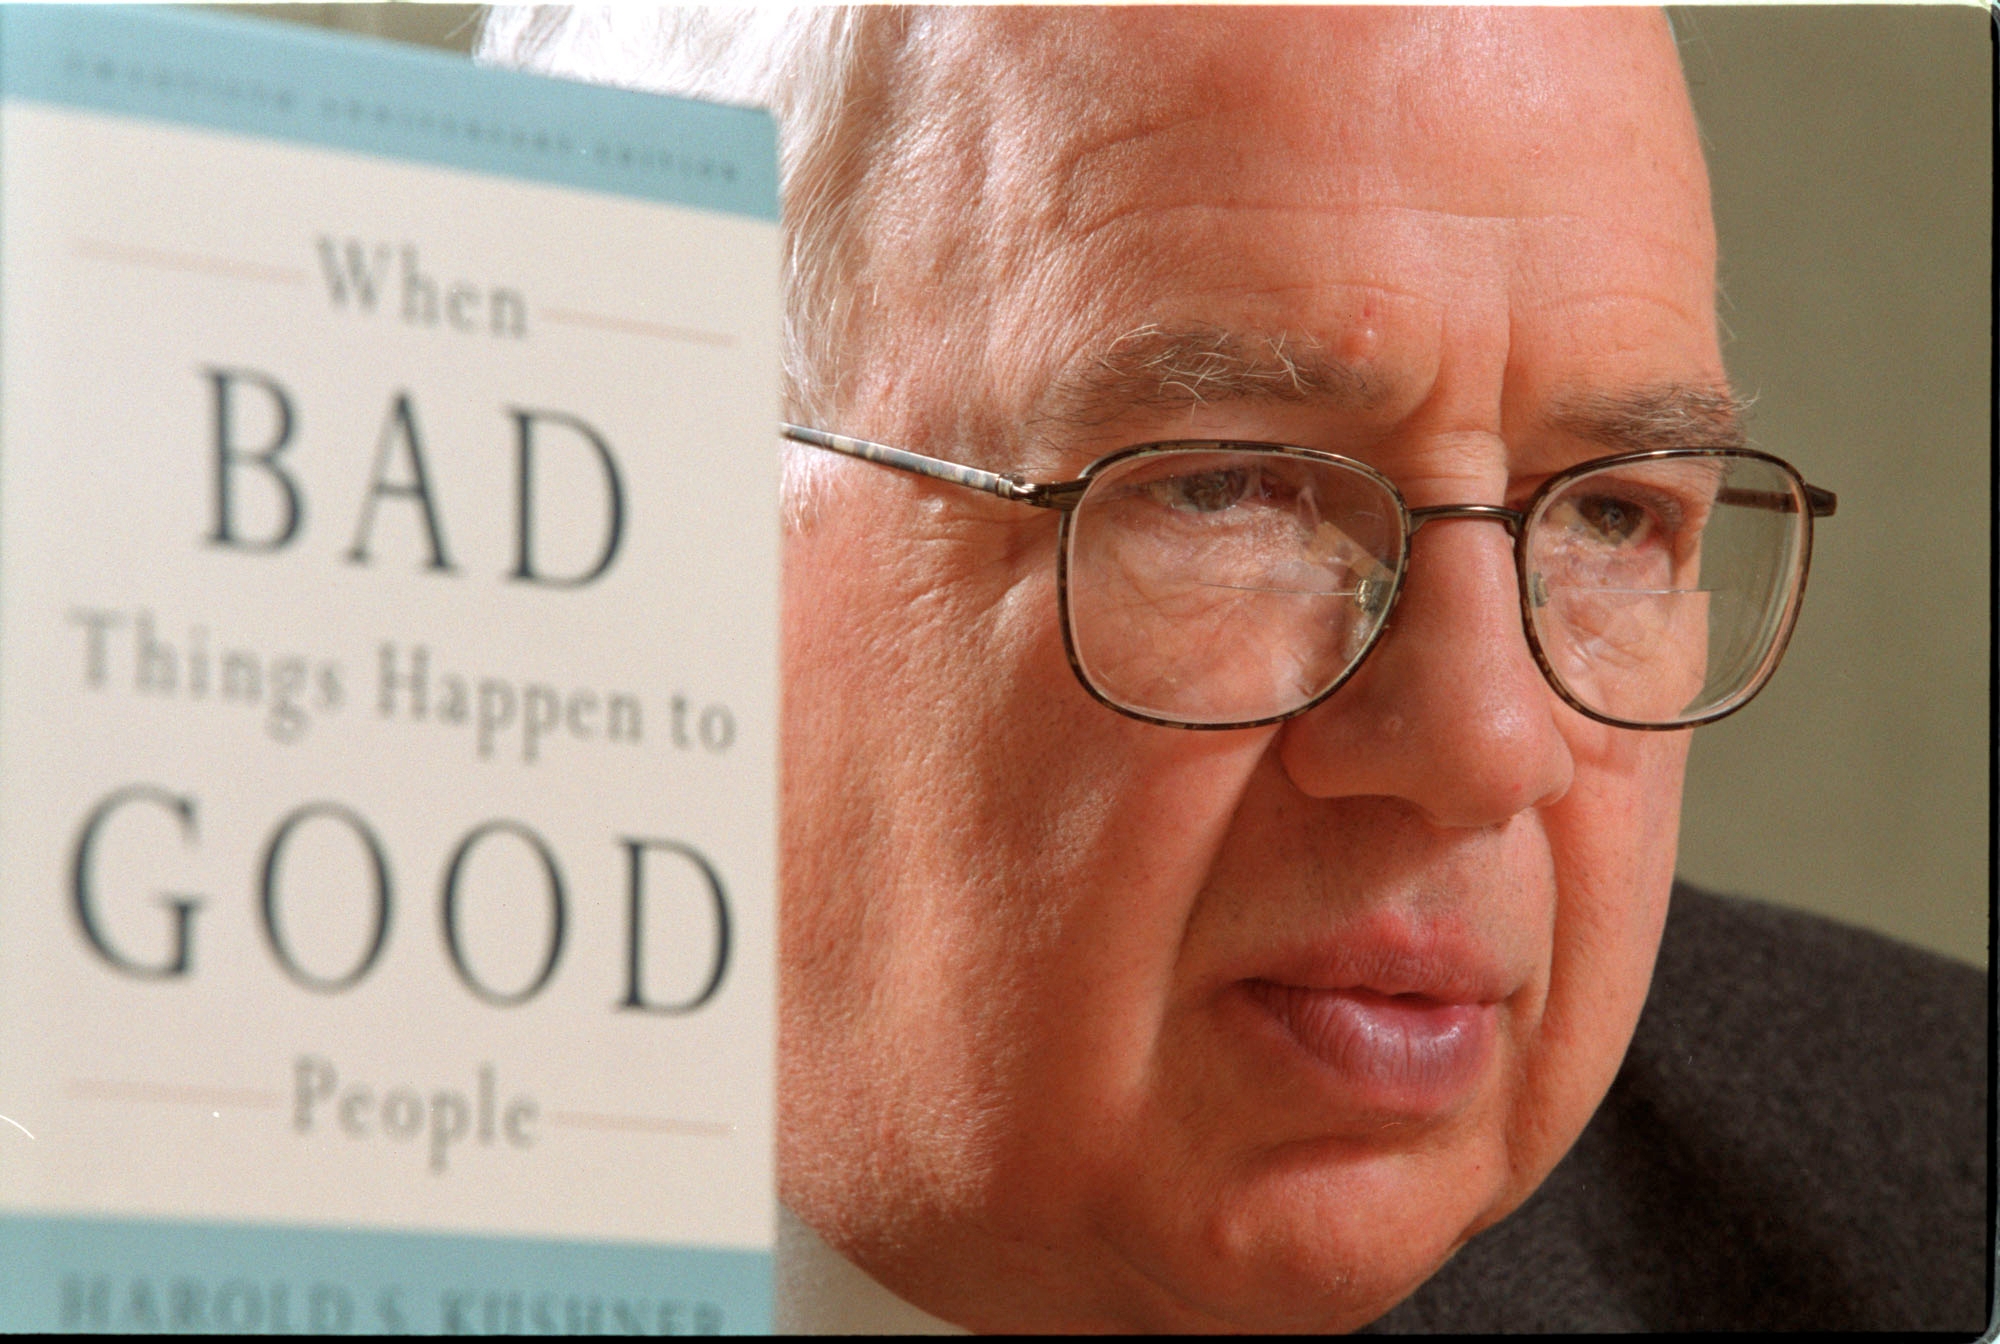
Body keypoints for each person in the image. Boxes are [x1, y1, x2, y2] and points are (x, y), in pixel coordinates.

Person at [481, 7, 1987, 1333]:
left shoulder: (1933, 1207)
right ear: (615, 519)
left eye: (1610, 512)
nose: (1484, 743)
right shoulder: (278, 1170)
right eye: (1228, 488)